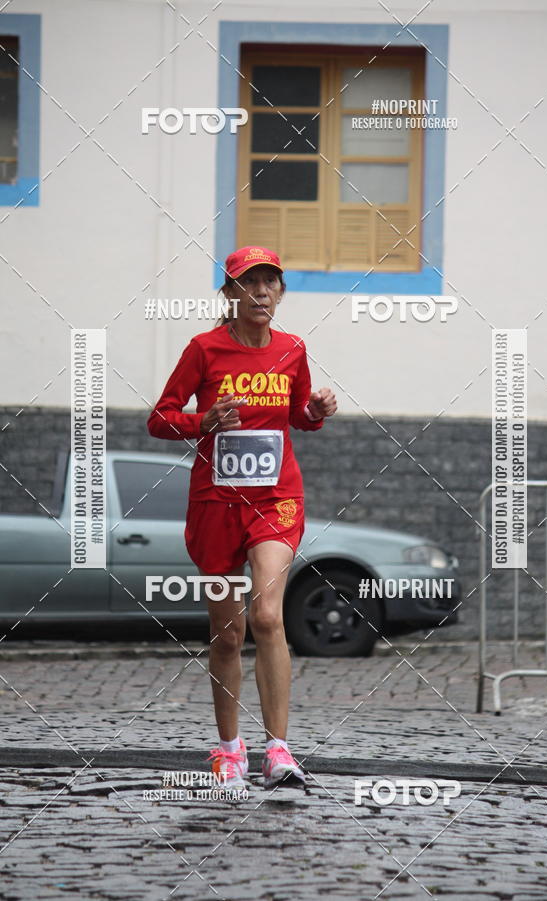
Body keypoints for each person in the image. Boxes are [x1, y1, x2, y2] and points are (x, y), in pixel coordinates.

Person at [147, 246, 337, 791]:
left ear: (280, 294)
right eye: (248, 283)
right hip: (215, 502)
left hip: (276, 499)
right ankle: (229, 749)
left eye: (269, 283)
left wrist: (316, 412)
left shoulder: (292, 349)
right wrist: (202, 420)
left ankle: (279, 751)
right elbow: (159, 419)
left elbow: (300, 416)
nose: (260, 292)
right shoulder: (203, 349)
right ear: (230, 295)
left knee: (269, 617)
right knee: (227, 634)